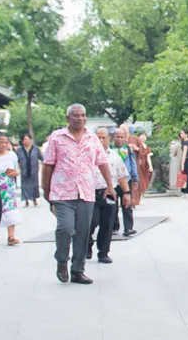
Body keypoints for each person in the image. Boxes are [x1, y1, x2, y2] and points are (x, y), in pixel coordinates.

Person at [42, 104, 117, 285]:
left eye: (83, 115)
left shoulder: (92, 138)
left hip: (86, 192)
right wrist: (45, 190)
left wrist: (110, 185)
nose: (80, 118)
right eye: (76, 115)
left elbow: (102, 162)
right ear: (68, 118)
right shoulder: (57, 137)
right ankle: (61, 260)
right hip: (62, 192)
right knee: (65, 228)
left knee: (83, 233)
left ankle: (78, 270)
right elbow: (48, 164)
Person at [87, 128, 130, 264]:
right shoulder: (86, 155)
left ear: (108, 139)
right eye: (97, 137)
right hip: (90, 194)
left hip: (109, 193)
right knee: (90, 222)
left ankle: (103, 252)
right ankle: (86, 247)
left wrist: (127, 193)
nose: (100, 140)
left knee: (107, 225)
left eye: (103, 138)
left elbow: (121, 176)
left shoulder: (114, 156)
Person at [112, 127, 138, 236]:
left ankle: (128, 228)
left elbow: (133, 164)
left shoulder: (127, 149)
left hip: (126, 180)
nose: (119, 139)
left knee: (127, 205)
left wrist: (135, 178)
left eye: (121, 137)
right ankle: (114, 227)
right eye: (117, 137)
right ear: (113, 137)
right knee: (112, 206)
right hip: (112, 181)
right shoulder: (109, 149)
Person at [16, 133, 43, 207]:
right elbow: (16, 160)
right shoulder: (19, 150)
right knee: (24, 185)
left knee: (34, 185)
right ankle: (26, 200)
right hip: (24, 170)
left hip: (34, 170)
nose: (26, 141)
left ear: (31, 140)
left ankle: (34, 199)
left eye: (28, 139)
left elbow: (41, 158)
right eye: (25, 139)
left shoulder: (35, 148)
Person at [135, 132, 153, 204]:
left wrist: (150, 166)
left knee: (143, 182)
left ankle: (138, 198)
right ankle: (136, 199)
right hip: (138, 166)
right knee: (138, 182)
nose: (143, 137)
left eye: (144, 136)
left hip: (144, 166)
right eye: (141, 136)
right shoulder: (137, 146)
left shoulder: (146, 147)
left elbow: (148, 157)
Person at [179, 129, 188, 195]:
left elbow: (184, 153)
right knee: (187, 175)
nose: (181, 135)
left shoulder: (186, 142)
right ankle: (186, 191)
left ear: (186, 134)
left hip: (187, 160)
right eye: (180, 133)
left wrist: (182, 163)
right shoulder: (187, 141)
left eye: (182, 133)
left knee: (187, 175)